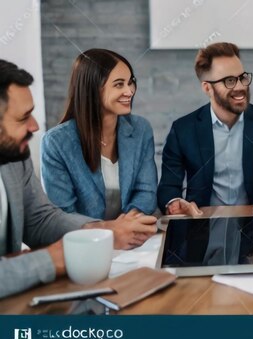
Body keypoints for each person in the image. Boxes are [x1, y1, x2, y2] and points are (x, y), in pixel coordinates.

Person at [0, 60, 157, 298]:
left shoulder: (14, 157)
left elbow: (40, 219)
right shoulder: (56, 142)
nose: (34, 127)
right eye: (23, 119)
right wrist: (53, 259)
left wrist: (105, 231)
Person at [157, 42, 253, 215]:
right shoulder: (182, 130)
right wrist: (175, 203)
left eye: (242, 77)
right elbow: (168, 186)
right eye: (229, 80)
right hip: (201, 222)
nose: (240, 87)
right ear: (207, 88)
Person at [41, 49, 157, 220]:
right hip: (84, 241)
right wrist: (112, 231)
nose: (130, 91)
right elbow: (63, 214)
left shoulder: (141, 129)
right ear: (93, 88)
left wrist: (129, 222)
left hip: (133, 237)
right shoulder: (56, 142)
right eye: (119, 84)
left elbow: (146, 192)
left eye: (130, 82)